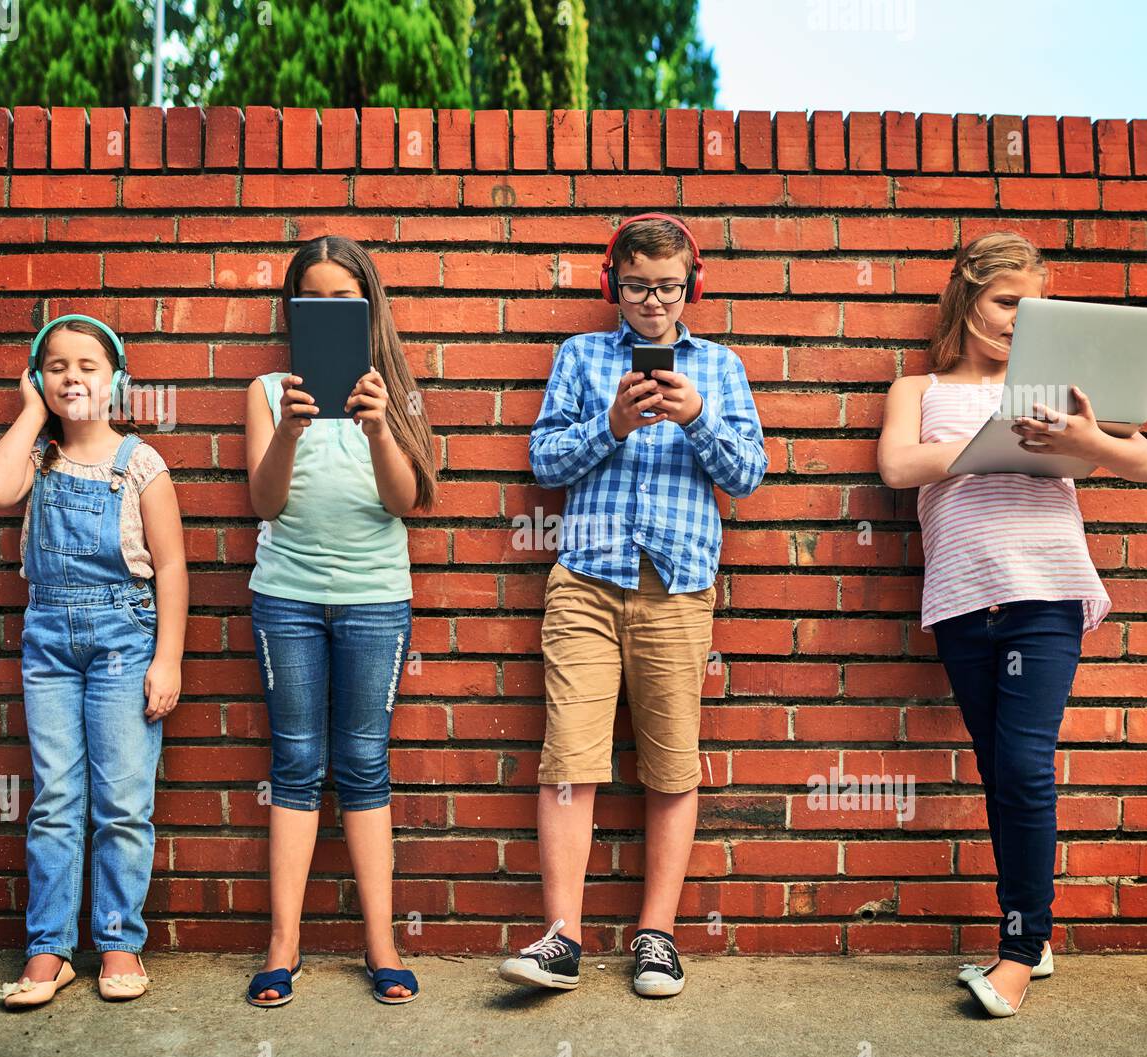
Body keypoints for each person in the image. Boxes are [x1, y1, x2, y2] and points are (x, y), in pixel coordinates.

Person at [876, 232, 1147, 1017]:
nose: (1017, 319)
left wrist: (1084, 440)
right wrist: (985, 446)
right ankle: (1033, 935)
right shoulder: (920, 387)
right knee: (1002, 773)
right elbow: (899, 467)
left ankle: (1014, 951)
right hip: (966, 601)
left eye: (1031, 306)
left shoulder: (1058, 389)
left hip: (1044, 594)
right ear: (967, 298)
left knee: (1028, 769)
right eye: (1007, 302)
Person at [502, 213, 766, 998]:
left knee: (670, 764)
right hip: (586, 577)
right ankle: (561, 938)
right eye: (638, 285)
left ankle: (657, 936)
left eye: (669, 287)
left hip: (679, 585)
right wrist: (611, 424)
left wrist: (697, 418)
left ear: (693, 285)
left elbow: (748, 473)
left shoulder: (720, 366)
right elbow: (544, 459)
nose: (653, 302)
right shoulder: (579, 356)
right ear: (612, 281)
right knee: (570, 760)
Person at [243, 236, 439, 1007]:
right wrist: (291, 430)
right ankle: (282, 945)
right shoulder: (265, 391)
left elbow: (406, 501)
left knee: (363, 765)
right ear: (292, 311)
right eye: (312, 301)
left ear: (367, 306)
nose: (326, 313)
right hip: (286, 597)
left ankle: (381, 943)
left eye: (342, 301)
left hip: (374, 600)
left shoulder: (395, 388)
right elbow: (264, 502)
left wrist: (381, 425)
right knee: (294, 764)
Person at [0, 314, 185, 1008]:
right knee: (57, 798)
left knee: (124, 797)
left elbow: (174, 566)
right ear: (39, 378)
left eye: (88, 365)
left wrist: (169, 659)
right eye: (56, 365)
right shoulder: (37, 459)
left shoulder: (140, 463)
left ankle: (120, 938)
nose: (73, 376)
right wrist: (32, 411)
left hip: (126, 637)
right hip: (50, 642)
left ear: (115, 379)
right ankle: (49, 949)